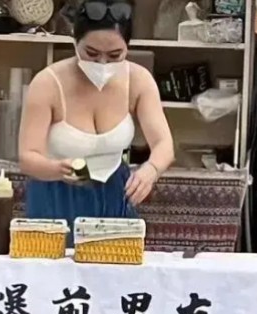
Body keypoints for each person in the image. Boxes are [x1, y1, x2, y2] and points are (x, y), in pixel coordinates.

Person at [18, 0, 174, 245]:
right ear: (75, 40)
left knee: (113, 265)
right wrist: (58, 168)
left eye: (114, 55)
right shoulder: (47, 84)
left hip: (114, 193)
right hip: (56, 195)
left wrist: (151, 170)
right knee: (52, 266)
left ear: (128, 47)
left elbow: (164, 143)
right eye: (91, 54)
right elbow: (28, 157)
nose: (102, 64)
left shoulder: (138, 81)